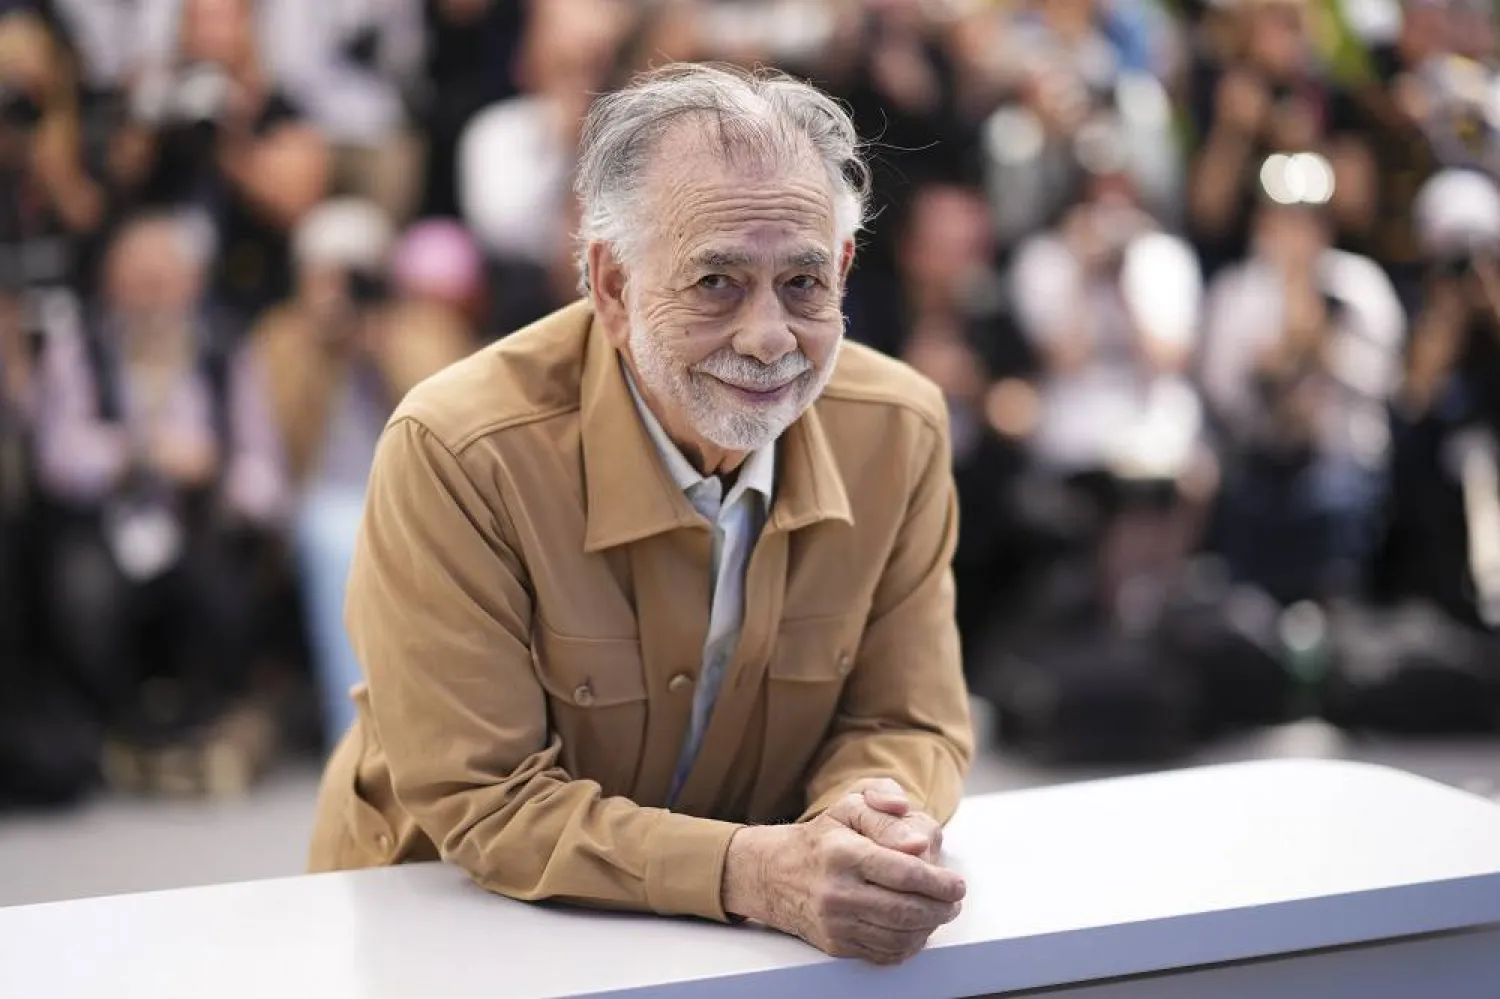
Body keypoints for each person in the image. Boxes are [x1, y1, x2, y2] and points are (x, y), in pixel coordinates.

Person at [309, 63, 973, 966]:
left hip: (740, 953)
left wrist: (858, 824)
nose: (770, 336)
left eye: (804, 283)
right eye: (716, 283)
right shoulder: (460, 450)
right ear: (611, 286)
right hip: (451, 928)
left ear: (845, 269)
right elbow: (487, 798)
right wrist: (754, 870)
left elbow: (909, 720)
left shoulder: (899, 429)